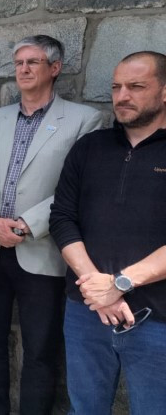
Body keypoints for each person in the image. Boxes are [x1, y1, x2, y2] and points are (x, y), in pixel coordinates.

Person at [0, 34, 102, 415]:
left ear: (54, 69)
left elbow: (78, 187)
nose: (23, 69)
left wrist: (26, 224)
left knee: (40, 349)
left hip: (40, 252)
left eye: (33, 62)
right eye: (18, 63)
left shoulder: (83, 120)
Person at [49, 51, 166, 414]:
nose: (122, 96)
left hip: (157, 318)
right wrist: (96, 286)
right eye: (116, 87)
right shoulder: (90, 147)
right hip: (87, 311)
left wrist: (120, 284)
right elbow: (62, 218)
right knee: (85, 408)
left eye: (136, 86)